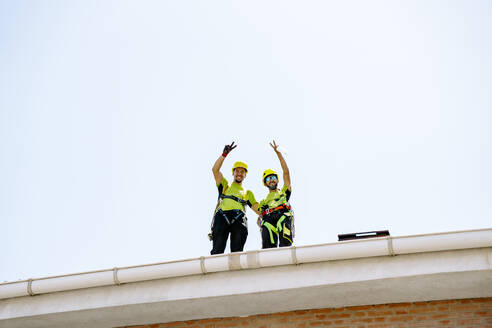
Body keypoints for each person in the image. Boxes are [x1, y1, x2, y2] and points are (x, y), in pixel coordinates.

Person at [211, 142, 260, 255]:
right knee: (217, 251)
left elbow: (258, 210)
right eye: (237, 171)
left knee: (237, 253)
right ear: (233, 173)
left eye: (242, 172)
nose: (239, 173)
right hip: (222, 216)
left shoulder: (247, 193)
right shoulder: (225, 185)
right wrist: (224, 154)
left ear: (245, 175)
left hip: (238, 218)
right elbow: (215, 170)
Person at [257, 140, 294, 249]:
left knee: (285, 245)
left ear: (277, 180)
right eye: (268, 178)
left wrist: (278, 153)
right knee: (268, 248)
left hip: (283, 216)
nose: (271, 180)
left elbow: (286, 172)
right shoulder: (264, 201)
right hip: (269, 220)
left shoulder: (283, 191)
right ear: (265, 183)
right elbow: (259, 215)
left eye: (273, 177)